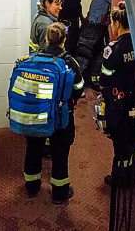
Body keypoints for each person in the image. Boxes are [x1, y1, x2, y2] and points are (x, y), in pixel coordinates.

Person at [23, 22, 85, 204]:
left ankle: (32, 186)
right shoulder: (69, 62)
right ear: (64, 40)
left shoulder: (33, 59)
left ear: (47, 39)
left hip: (36, 114)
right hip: (61, 115)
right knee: (60, 152)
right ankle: (60, 192)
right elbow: (79, 87)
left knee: (33, 148)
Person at [99, 2, 135, 188]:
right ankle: (134, 177)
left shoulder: (113, 49)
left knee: (121, 144)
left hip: (119, 104)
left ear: (117, 23)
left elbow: (105, 78)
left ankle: (119, 180)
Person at [76, 0, 113, 91]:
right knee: (84, 56)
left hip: (96, 27)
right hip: (93, 28)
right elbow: (117, 2)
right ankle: (77, 85)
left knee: (97, 54)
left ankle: (92, 80)